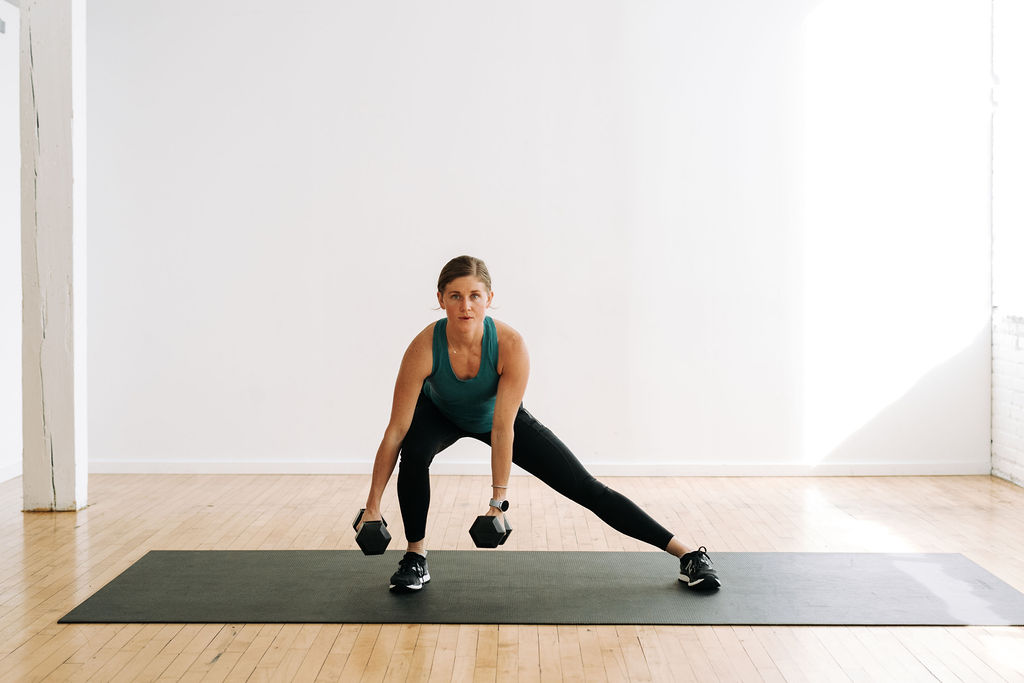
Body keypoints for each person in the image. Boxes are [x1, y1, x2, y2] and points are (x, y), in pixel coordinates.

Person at [358, 255, 720, 593]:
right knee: (414, 454)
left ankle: (688, 554)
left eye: (474, 295)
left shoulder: (510, 345)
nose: (465, 306)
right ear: (440, 299)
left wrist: (498, 501)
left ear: (489, 298)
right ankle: (415, 557)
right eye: (455, 296)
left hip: (497, 418)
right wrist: (372, 505)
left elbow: (502, 428)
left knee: (584, 486)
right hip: (440, 414)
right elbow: (395, 431)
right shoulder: (423, 347)